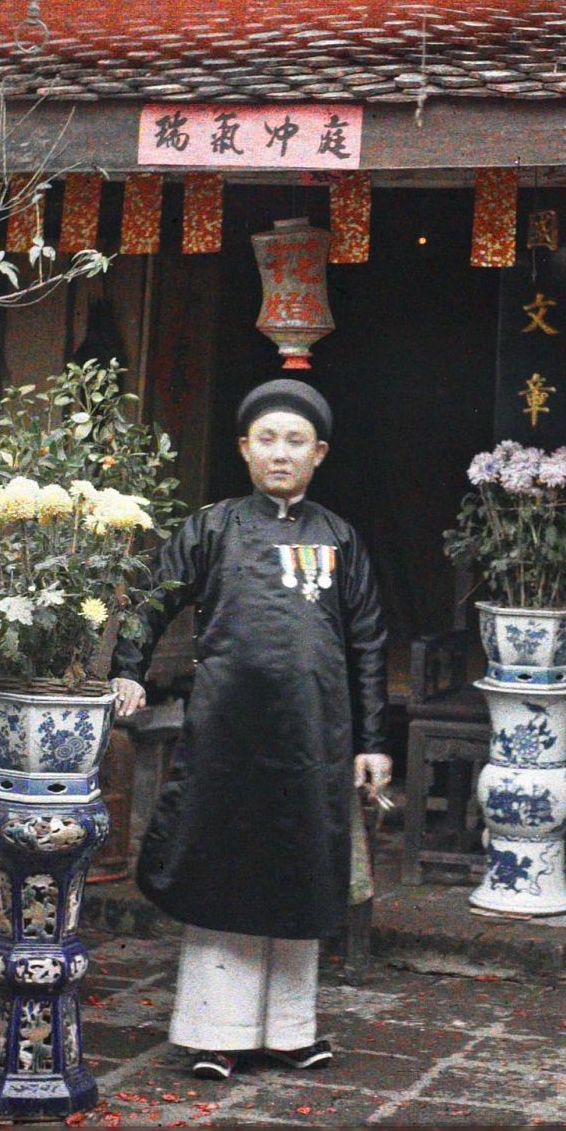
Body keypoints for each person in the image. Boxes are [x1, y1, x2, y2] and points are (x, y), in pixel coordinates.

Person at [111, 378, 391, 1080]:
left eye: (296, 441)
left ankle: (290, 1032)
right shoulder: (213, 528)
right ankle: (215, 1032)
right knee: (223, 869)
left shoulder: (339, 538)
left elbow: (368, 642)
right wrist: (128, 670)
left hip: (314, 738)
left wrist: (373, 742)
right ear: (244, 448)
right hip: (227, 733)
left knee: (301, 873)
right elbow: (151, 601)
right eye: (267, 439)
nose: (280, 453)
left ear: (319, 454)